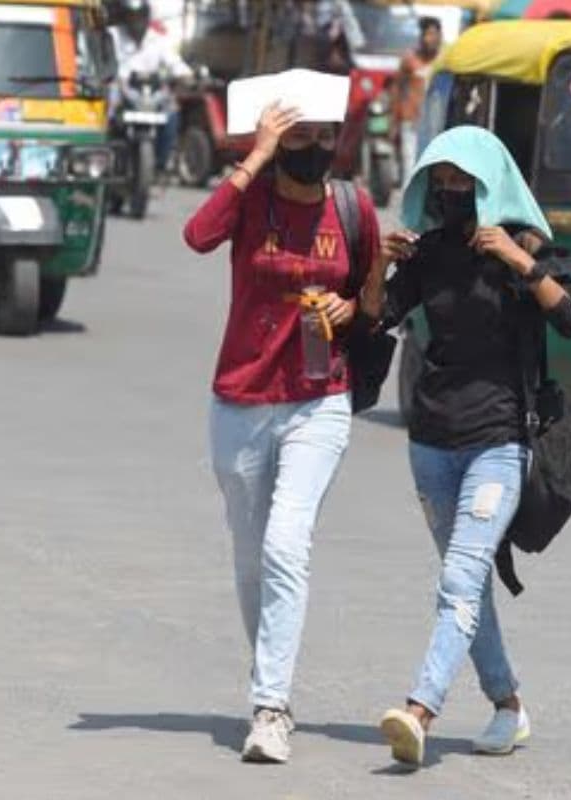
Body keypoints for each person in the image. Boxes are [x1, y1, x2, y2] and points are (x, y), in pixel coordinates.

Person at [358, 126, 571, 767]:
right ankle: (508, 705)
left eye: (466, 181)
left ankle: (419, 710)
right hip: (431, 442)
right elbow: (377, 317)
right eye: (444, 180)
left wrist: (519, 261)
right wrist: (383, 262)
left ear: (492, 185)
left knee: (459, 577)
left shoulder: (526, 249)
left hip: (499, 441)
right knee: (469, 585)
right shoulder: (429, 253)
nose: (454, 191)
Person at [182, 101, 380, 763]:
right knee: (249, 553)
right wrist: (255, 157)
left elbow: (371, 297)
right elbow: (197, 235)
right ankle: (270, 674)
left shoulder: (353, 209)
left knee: (285, 543)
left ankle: (271, 705)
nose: (312, 146)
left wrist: (347, 307)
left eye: (324, 135)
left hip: (318, 399)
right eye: (299, 136)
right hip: (241, 396)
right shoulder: (252, 199)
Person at [109, 0, 193, 170]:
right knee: (108, 111)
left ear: (146, 17)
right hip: (120, 91)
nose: (135, 21)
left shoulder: (158, 39)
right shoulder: (113, 36)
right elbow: (103, 63)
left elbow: (174, 63)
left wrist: (186, 75)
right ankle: (106, 160)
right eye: (131, 17)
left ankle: (162, 161)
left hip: (150, 93)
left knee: (172, 112)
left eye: (139, 16)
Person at [392, 17, 442, 185]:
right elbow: (397, 88)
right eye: (427, 34)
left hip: (434, 122)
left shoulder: (443, 61)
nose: (430, 39)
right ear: (421, 37)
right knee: (410, 165)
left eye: (434, 34)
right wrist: (395, 119)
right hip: (412, 120)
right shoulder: (410, 59)